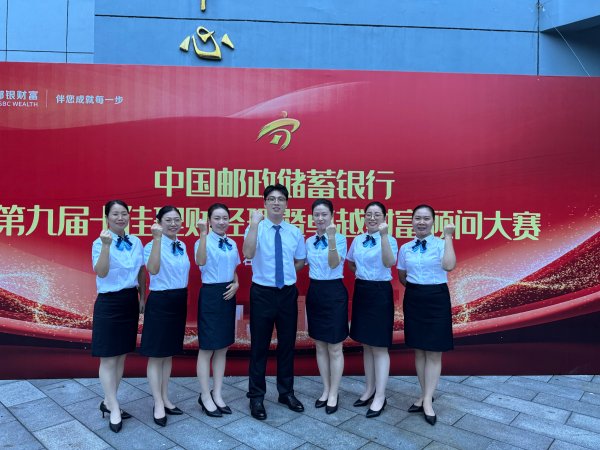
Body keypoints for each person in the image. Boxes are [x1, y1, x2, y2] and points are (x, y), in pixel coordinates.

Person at [243, 183, 307, 420]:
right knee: (259, 346)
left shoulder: (294, 232)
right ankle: (256, 397)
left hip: (287, 293)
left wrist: (285, 274)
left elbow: (299, 261)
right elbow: (248, 254)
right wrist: (253, 224)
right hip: (262, 293)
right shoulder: (256, 228)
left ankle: (286, 392)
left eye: (281, 199)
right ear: (265, 203)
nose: (276, 203)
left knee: (287, 345)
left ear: (287, 204)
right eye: (272, 199)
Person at [397, 204, 456, 426]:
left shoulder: (441, 244)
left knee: (433, 352)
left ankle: (428, 400)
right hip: (414, 298)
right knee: (419, 350)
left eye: (426, 219)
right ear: (412, 221)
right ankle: (423, 395)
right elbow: (402, 275)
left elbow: (449, 266)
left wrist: (448, 237)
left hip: (436, 298)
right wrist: (416, 289)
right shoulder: (405, 248)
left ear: (433, 222)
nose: (421, 222)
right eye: (417, 218)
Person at [91, 200, 145, 433]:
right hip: (109, 303)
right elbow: (101, 272)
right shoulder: (99, 242)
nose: (120, 218)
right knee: (108, 358)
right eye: (115, 214)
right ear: (107, 218)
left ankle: (108, 401)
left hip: (129, 300)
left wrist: (142, 297)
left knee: (121, 356)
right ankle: (113, 407)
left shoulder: (136, 242)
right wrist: (106, 246)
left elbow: (141, 270)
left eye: (124, 213)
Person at [346, 201, 398, 418]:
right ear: (364, 217)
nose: (372, 218)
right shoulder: (358, 240)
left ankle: (381, 396)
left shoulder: (390, 240)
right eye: (369, 214)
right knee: (366, 344)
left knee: (379, 346)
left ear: (384, 218)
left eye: (377, 214)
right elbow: (350, 262)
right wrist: (363, 274)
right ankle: (369, 389)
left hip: (380, 293)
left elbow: (389, 262)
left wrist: (384, 236)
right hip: (362, 290)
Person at [140, 206, 190, 427]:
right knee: (156, 354)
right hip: (160, 301)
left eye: (176, 220)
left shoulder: (182, 245)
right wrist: (157, 239)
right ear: (158, 222)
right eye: (168, 220)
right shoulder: (151, 245)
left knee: (168, 354)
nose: (173, 224)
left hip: (179, 300)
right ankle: (157, 402)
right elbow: (152, 269)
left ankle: (166, 397)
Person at [194, 203, 240, 418]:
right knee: (207, 349)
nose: (222, 222)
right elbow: (200, 261)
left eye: (225, 218)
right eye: (217, 218)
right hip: (211, 296)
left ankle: (218, 393)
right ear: (210, 221)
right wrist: (203, 235)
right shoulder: (202, 241)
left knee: (222, 348)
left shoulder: (232, 242)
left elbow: (234, 269)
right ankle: (205, 396)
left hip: (228, 295)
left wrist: (236, 283)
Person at [305, 199, 348, 414]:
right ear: (312, 217)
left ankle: (334, 392)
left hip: (334, 292)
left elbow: (333, 263)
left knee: (335, 346)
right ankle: (325, 388)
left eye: (324, 214)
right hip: (315, 292)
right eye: (317, 214)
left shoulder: (340, 239)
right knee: (320, 344)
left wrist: (331, 238)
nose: (320, 218)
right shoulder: (308, 241)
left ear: (332, 215)